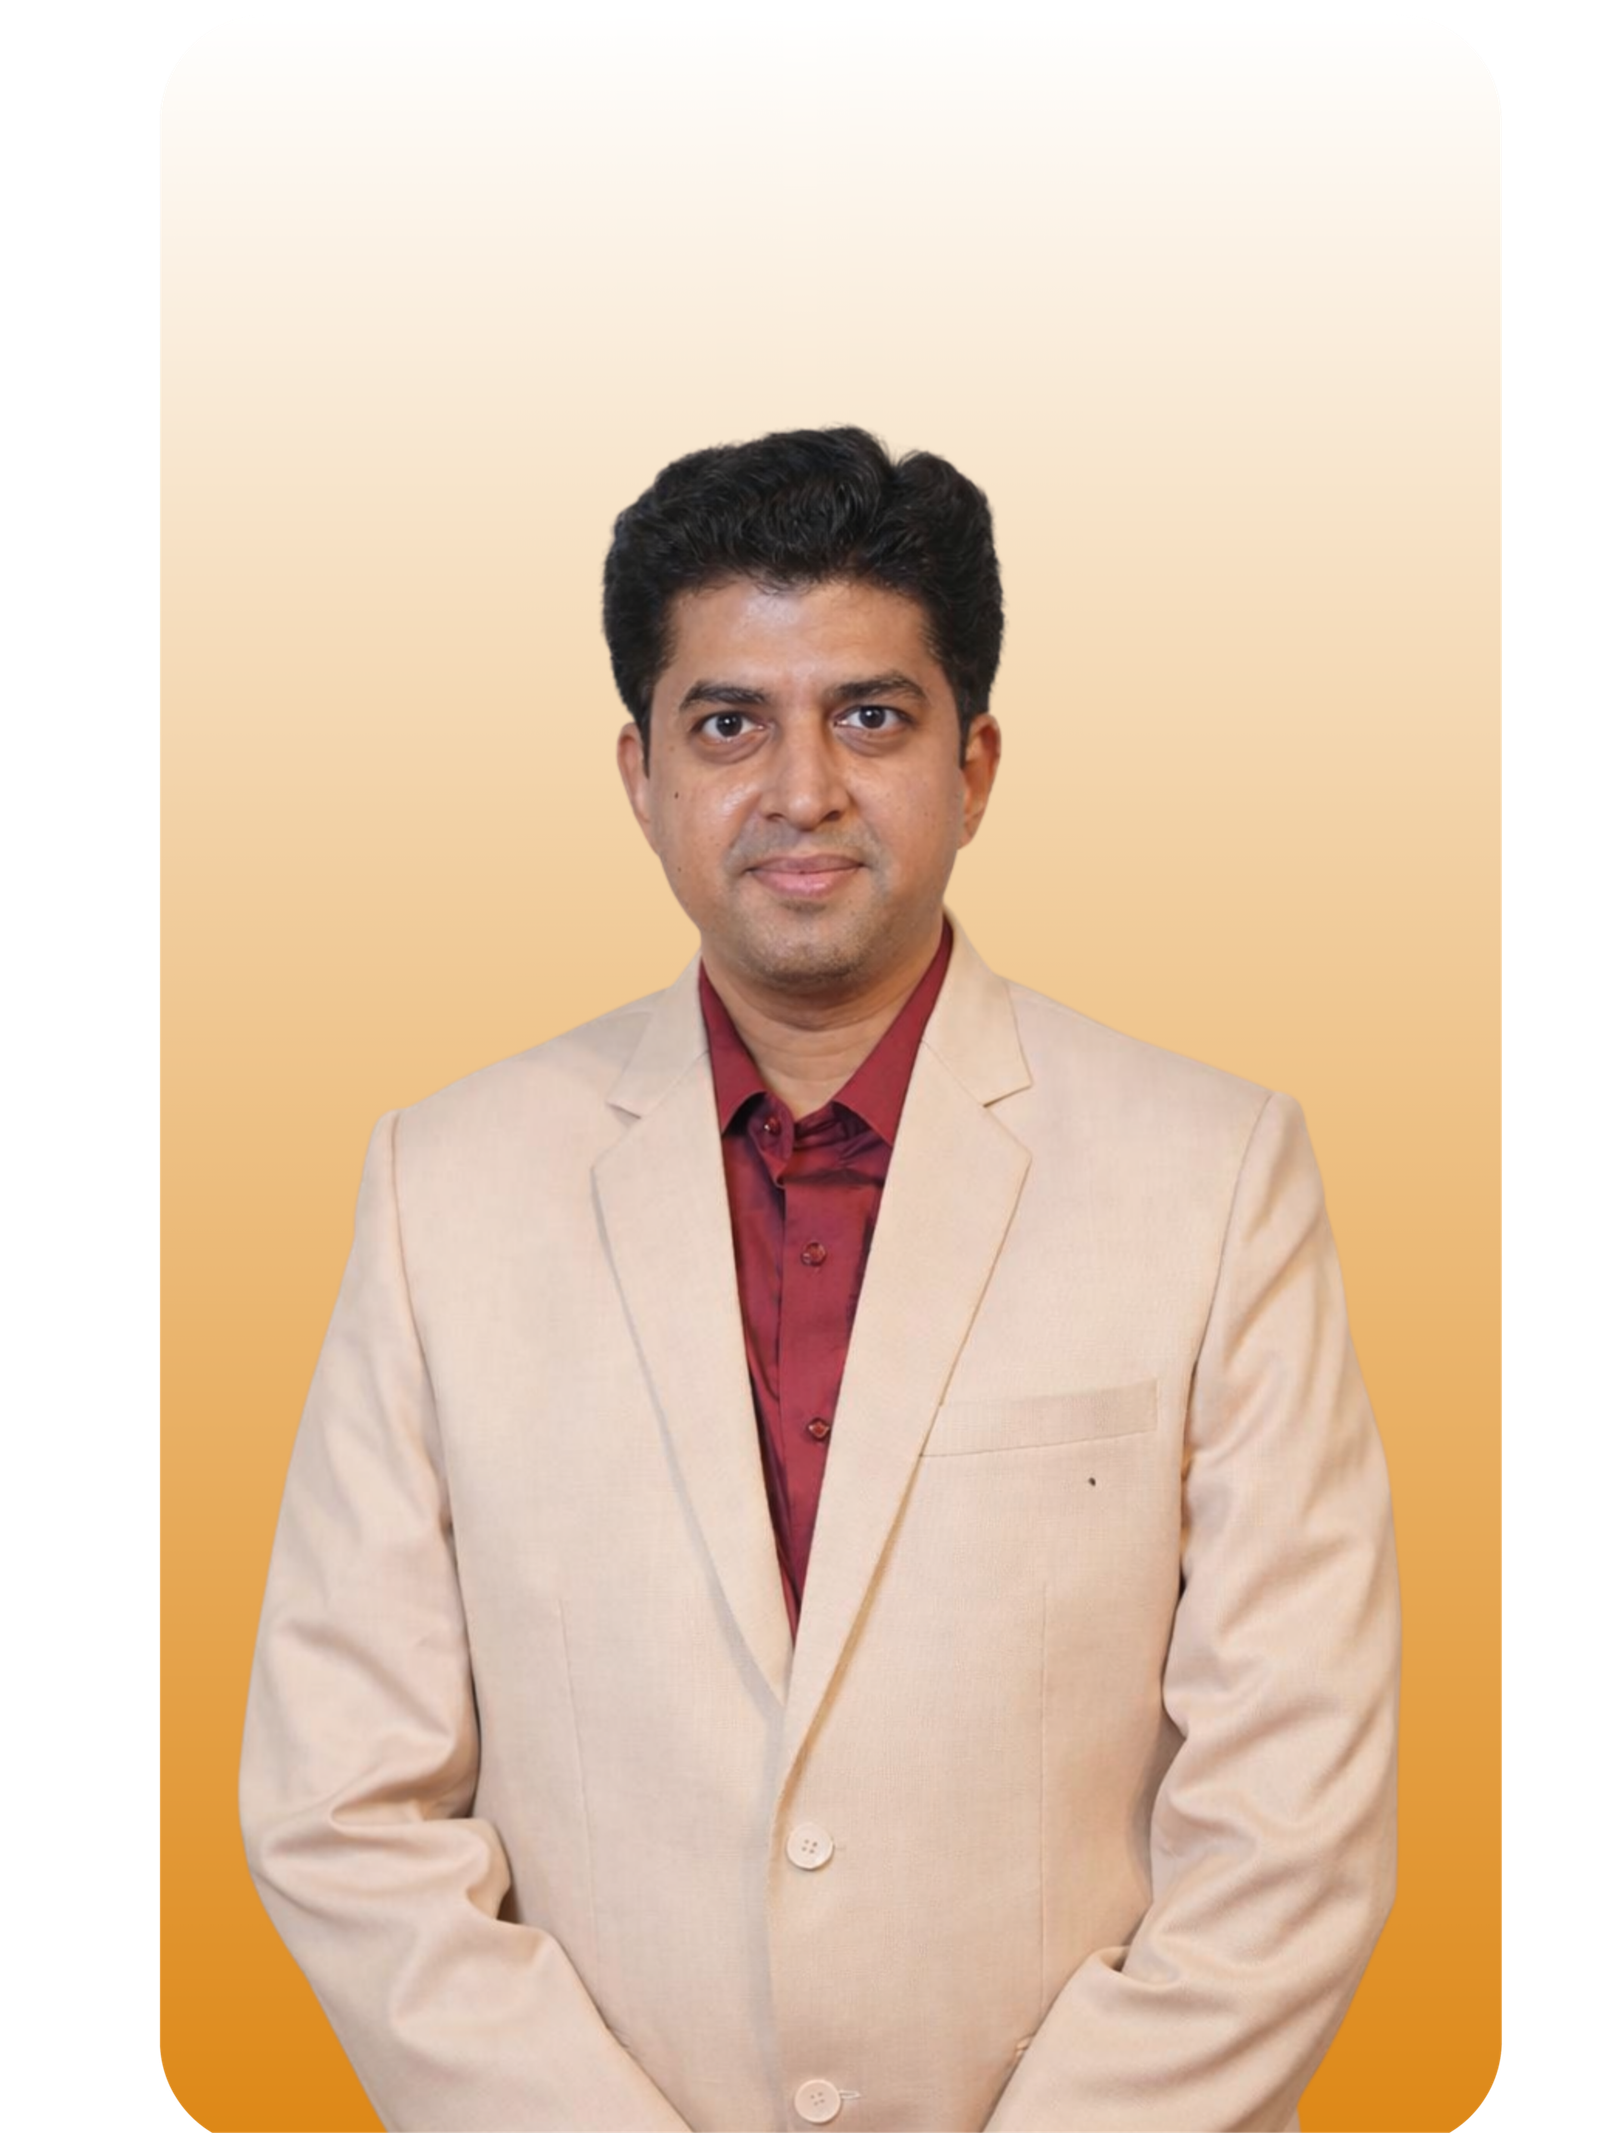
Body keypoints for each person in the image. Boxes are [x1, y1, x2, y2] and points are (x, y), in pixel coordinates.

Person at [240, 427, 1400, 2133]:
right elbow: (341, 1804)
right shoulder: (446, 1190)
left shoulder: (1216, 1175)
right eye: (729, 724)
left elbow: (1296, 1804)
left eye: (870, 716)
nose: (803, 791)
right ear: (640, 774)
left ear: (974, 764)